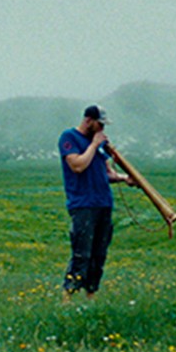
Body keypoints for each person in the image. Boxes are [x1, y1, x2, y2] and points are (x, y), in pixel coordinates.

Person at [58, 105, 133, 301]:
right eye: (100, 124)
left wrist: (125, 178)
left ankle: (91, 297)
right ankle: (68, 298)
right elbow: (77, 166)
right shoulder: (69, 137)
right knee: (82, 253)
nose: (102, 129)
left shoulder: (99, 146)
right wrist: (93, 145)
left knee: (98, 255)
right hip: (83, 204)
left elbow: (107, 174)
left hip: (103, 203)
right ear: (88, 121)